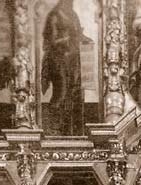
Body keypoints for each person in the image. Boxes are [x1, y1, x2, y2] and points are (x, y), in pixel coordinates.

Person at [42, 0, 88, 135]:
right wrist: (69, 39)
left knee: (75, 93)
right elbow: (51, 41)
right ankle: (55, 130)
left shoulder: (73, 14)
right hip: (58, 60)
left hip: (73, 60)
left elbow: (78, 34)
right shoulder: (54, 15)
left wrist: (84, 39)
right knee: (61, 93)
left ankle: (70, 130)